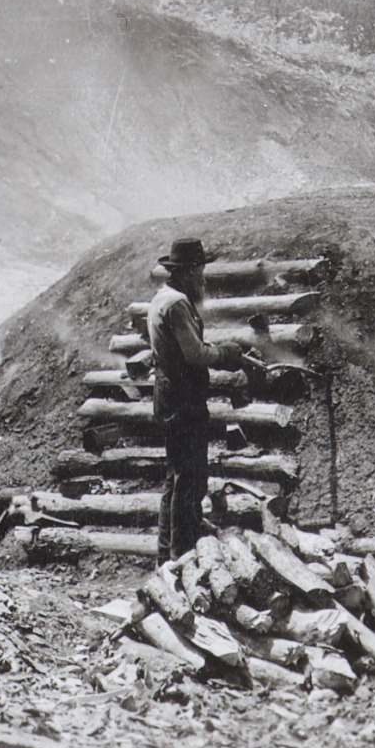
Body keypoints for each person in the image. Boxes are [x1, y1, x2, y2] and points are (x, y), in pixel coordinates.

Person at [145, 238, 235, 563]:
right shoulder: (179, 304)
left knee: (175, 480)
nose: (203, 278)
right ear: (186, 272)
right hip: (184, 403)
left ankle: (166, 560)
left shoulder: (161, 299)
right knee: (190, 484)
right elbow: (194, 354)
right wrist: (225, 354)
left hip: (169, 399)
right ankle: (185, 561)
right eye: (199, 271)